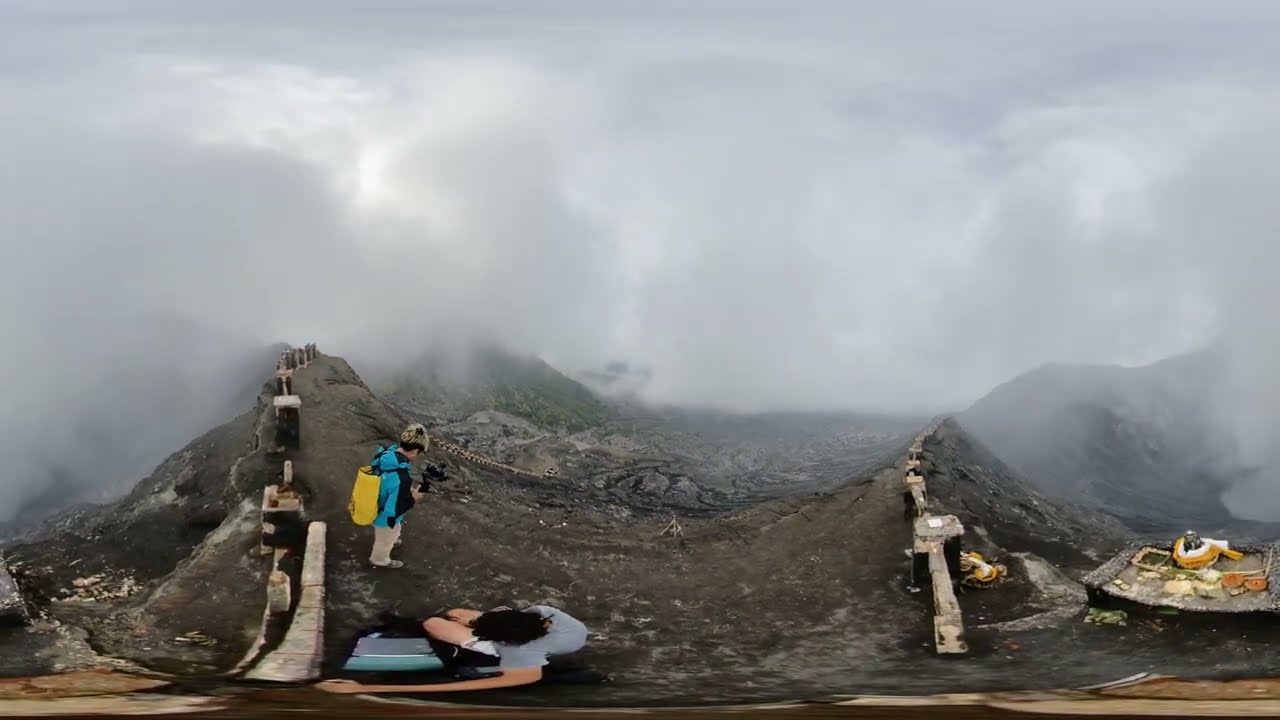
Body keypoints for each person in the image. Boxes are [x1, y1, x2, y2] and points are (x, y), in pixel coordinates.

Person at [316, 604, 589, 693]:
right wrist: (473, 618)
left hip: (521, 651)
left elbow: (459, 687)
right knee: (451, 615)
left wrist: (367, 688)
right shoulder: (543, 613)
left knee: (436, 625)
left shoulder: (521, 657)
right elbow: (503, 615)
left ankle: (471, 635)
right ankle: (472, 624)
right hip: (531, 635)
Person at [368, 423, 429, 569]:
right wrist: (414, 497)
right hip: (385, 517)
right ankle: (379, 560)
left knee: (393, 532)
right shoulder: (401, 477)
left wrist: (404, 489)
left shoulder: (388, 454)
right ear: (414, 451)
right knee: (384, 540)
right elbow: (396, 508)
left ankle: (393, 539)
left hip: (376, 500)